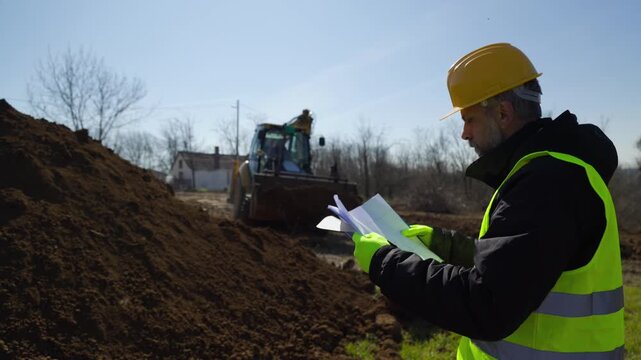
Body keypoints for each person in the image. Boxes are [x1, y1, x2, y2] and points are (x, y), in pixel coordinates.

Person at [351, 43, 624, 359]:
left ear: (504, 113)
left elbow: (486, 304)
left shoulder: (546, 182)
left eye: (469, 119)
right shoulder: (554, 172)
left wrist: (384, 263)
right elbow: (523, 262)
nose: (464, 134)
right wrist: (447, 246)